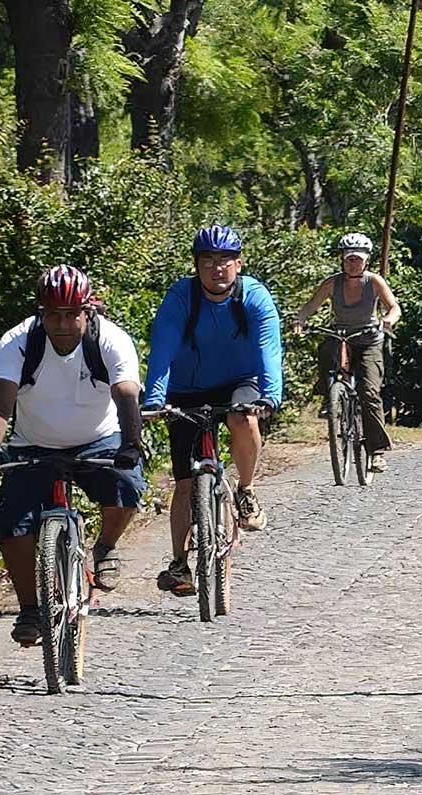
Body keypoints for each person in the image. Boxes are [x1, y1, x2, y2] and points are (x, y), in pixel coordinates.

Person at [0, 265, 146, 646]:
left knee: (127, 486)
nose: (63, 324)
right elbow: (0, 405)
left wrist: (131, 444)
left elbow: (126, 397)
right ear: (41, 313)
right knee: (13, 526)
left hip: (97, 439)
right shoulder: (18, 341)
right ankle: (30, 610)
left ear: (89, 311)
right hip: (32, 444)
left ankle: (105, 548)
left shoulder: (112, 341)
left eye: (73, 314)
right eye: (53, 314)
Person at [142, 224, 283, 597]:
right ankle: (178, 563)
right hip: (185, 387)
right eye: (208, 261)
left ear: (238, 263)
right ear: (197, 266)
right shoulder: (181, 298)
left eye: (224, 261)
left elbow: (269, 349)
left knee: (243, 416)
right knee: (185, 483)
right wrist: (155, 399)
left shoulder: (254, 297)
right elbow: (163, 349)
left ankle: (247, 490)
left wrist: (270, 395)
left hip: (239, 379)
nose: (217, 269)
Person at [292, 231, 402, 473]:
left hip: (368, 339)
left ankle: (377, 451)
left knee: (369, 391)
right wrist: (300, 320)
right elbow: (311, 305)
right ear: (342, 260)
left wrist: (388, 319)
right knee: (325, 348)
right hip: (340, 335)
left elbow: (394, 307)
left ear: (366, 260)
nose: (353, 263)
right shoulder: (333, 283)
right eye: (349, 258)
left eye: (358, 259)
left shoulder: (373, 282)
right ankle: (329, 397)